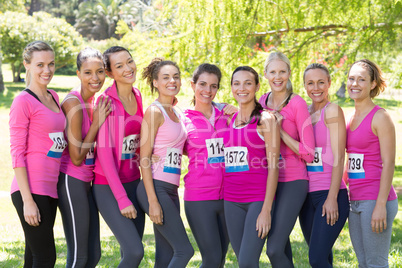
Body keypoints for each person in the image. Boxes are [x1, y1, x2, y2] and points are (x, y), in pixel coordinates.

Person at [9, 40, 67, 267]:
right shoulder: (23, 100)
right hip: (32, 189)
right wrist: (27, 201)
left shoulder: (53, 96)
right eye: (40, 65)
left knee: (33, 257)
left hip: (50, 188)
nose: (47, 70)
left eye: (51, 64)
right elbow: (16, 153)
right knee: (45, 258)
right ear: (27, 65)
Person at [258, 51, 315, 268]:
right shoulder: (261, 101)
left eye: (282, 71)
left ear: (289, 73)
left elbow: (309, 153)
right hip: (268, 179)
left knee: (273, 248)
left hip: (293, 180)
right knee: (280, 249)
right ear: (265, 74)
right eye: (273, 72)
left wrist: (279, 131)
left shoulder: (297, 103)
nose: (278, 76)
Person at [137, 58, 194, 268]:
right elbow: (144, 158)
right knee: (184, 250)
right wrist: (152, 200)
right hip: (155, 187)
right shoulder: (155, 112)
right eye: (166, 77)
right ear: (155, 82)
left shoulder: (177, 111)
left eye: (176, 77)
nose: (172, 81)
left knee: (166, 255)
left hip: (171, 188)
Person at [58, 47, 111, 268]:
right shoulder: (73, 102)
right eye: (88, 72)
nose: (95, 78)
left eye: (100, 71)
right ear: (78, 73)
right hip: (72, 181)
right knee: (79, 256)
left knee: (94, 254)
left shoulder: (95, 101)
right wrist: (97, 122)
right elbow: (77, 156)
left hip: (87, 182)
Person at [92, 46, 145, 267]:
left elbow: (138, 140)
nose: (128, 68)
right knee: (135, 252)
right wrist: (122, 199)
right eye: (119, 66)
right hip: (109, 187)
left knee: (130, 252)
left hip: (134, 181)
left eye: (129, 62)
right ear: (110, 73)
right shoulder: (106, 101)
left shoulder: (138, 94)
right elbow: (104, 155)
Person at [223, 66, 279, 267]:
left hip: (257, 199)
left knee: (247, 262)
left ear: (257, 86)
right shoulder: (229, 120)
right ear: (231, 87)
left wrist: (266, 210)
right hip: (231, 200)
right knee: (244, 262)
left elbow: (274, 167)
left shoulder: (266, 120)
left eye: (248, 83)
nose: (242, 88)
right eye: (236, 83)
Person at [346, 59, 398, 268]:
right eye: (351, 79)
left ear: (373, 84)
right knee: (363, 263)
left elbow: (389, 163)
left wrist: (380, 205)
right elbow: (351, 160)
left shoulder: (381, 117)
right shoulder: (351, 117)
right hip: (355, 199)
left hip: (375, 199)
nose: (355, 84)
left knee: (376, 263)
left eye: (361, 80)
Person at [183, 63, 236, 268]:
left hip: (229, 198)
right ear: (193, 85)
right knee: (212, 259)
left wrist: (239, 113)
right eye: (203, 84)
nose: (208, 90)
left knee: (220, 259)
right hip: (199, 198)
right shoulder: (183, 119)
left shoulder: (228, 115)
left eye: (214, 86)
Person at [298, 63, 349, 267]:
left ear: (329, 83)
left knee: (317, 259)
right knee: (323, 257)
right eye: (310, 83)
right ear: (304, 86)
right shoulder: (304, 112)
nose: (316, 88)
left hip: (329, 193)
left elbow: (339, 156)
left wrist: (332, 198)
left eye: (321, 82)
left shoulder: (333, 111)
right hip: (306, 197)